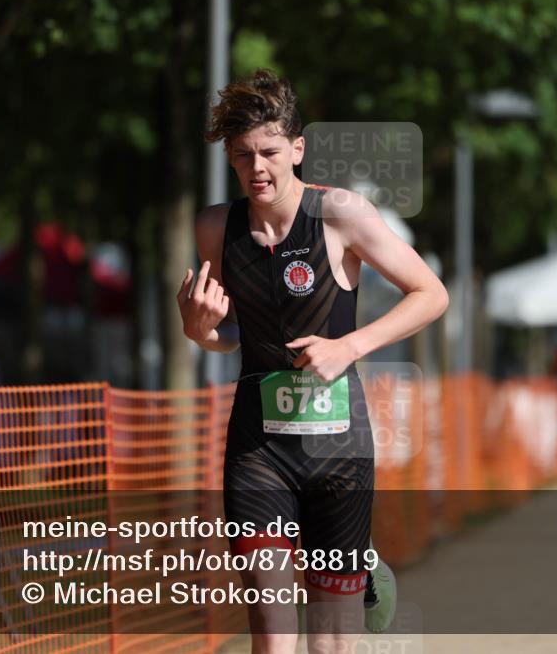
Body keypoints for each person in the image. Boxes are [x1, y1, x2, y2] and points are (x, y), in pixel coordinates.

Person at [177, 69, 448, 654]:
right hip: (258, 451)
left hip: (339, 452)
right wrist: (200, 331)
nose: (257, 168)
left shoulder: (341, 213)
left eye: (270, 152)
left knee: (331, 645)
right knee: (273, 642)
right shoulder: (215, 227)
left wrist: (350, 346)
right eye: (243, 155)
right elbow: (231, 333)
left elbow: (431, 293)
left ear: (297, 149)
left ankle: (361, 566)